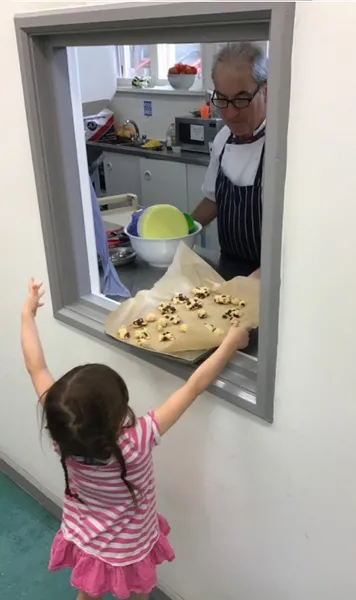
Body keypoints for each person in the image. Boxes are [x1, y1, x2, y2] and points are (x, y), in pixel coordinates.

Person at [21, 278, 249, 600]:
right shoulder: (137, 439)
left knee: (88, 593)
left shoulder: (64, 433)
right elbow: (193, 386)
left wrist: (27, 315)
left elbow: (36, 367)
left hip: (87, 537)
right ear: (117, 415)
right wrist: (229, 343)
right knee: (139, 594)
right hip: (132, 547)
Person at [192, 42, 268, 279]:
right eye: (222, 100)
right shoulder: (224, 138)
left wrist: (260, 279)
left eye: (241, 100)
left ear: (265, 90)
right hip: (228, 267)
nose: (231, 113)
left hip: (269, 274)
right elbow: (213, 200)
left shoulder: (283, 147)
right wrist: (179, 232)